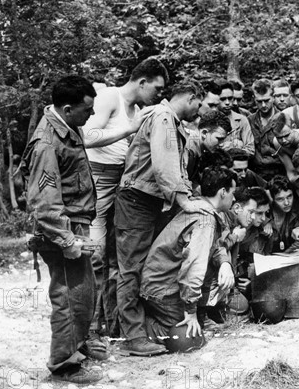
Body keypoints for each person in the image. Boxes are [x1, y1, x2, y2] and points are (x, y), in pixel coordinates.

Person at [114, 80, 204, 356]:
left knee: (141, 265)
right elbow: (164, 165)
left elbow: (176, 168)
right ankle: (133, 337)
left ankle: (142, 329)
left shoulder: (169, 119)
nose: (199, 109)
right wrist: (183, 201)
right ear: (191, 96)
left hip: (149, 201)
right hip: (137, 200)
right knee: (130, 268)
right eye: (199, 103)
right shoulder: (164, 117)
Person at [21, 76, 101, 384]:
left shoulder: (68, 128)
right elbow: (44, 203)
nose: (91, 116)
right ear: (67, 109)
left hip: (75, 223)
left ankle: (77, 348)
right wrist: (67, 239)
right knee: (67, 297)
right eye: (87, 110)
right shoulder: (47, 143)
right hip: (60, 230)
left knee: (82, 292)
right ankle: (63, 363)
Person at [83, 58, 167, 339]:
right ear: (142, 82)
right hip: (96, 182)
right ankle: (89, 330)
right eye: (156, 88)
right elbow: (87, 135)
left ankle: (110, 326)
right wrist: (130, 130)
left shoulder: (139, 109)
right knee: (94, 256)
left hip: (122, 185)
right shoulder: (110, 96)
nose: (158, 94)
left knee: (114, 261)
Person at [140, 167, 237, 341]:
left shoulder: (199, 208)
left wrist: (224, 262)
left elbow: (215, 247)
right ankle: (140, 329)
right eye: (232, 192)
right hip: (163, 290)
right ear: (223, 192)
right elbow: (194, 266)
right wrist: (190, 311)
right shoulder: (205, 220)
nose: (234, 198)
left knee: (196, 332)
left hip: (165, 286)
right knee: (186, 338)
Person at [248, 78, 285, 179]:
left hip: (280, 173)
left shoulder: (284, 118)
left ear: (273, 97)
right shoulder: (249, 121)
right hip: (257, 174)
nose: (263, 105)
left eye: (266, 100)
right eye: (259, 101)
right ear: (253, 99)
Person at [268, 175, 299, 253]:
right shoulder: (265, 213)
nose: (287, 203)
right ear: (272, 199)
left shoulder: (298, 209)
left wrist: (285, 256)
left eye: (289, 196)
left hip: (291, 255)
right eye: (280, 199)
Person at [186, 110, 232, 186]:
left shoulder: (196, 146)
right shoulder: (189, 149)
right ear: (204, 133)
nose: (221, 144)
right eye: (219, 139)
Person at [217, 79, 255, 156]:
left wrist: (233, 147)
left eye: (230, 98)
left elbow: (251, 150)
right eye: (223, 99)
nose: (227, 103)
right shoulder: (208, 119)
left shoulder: (241, 120)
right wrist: (239, 144)